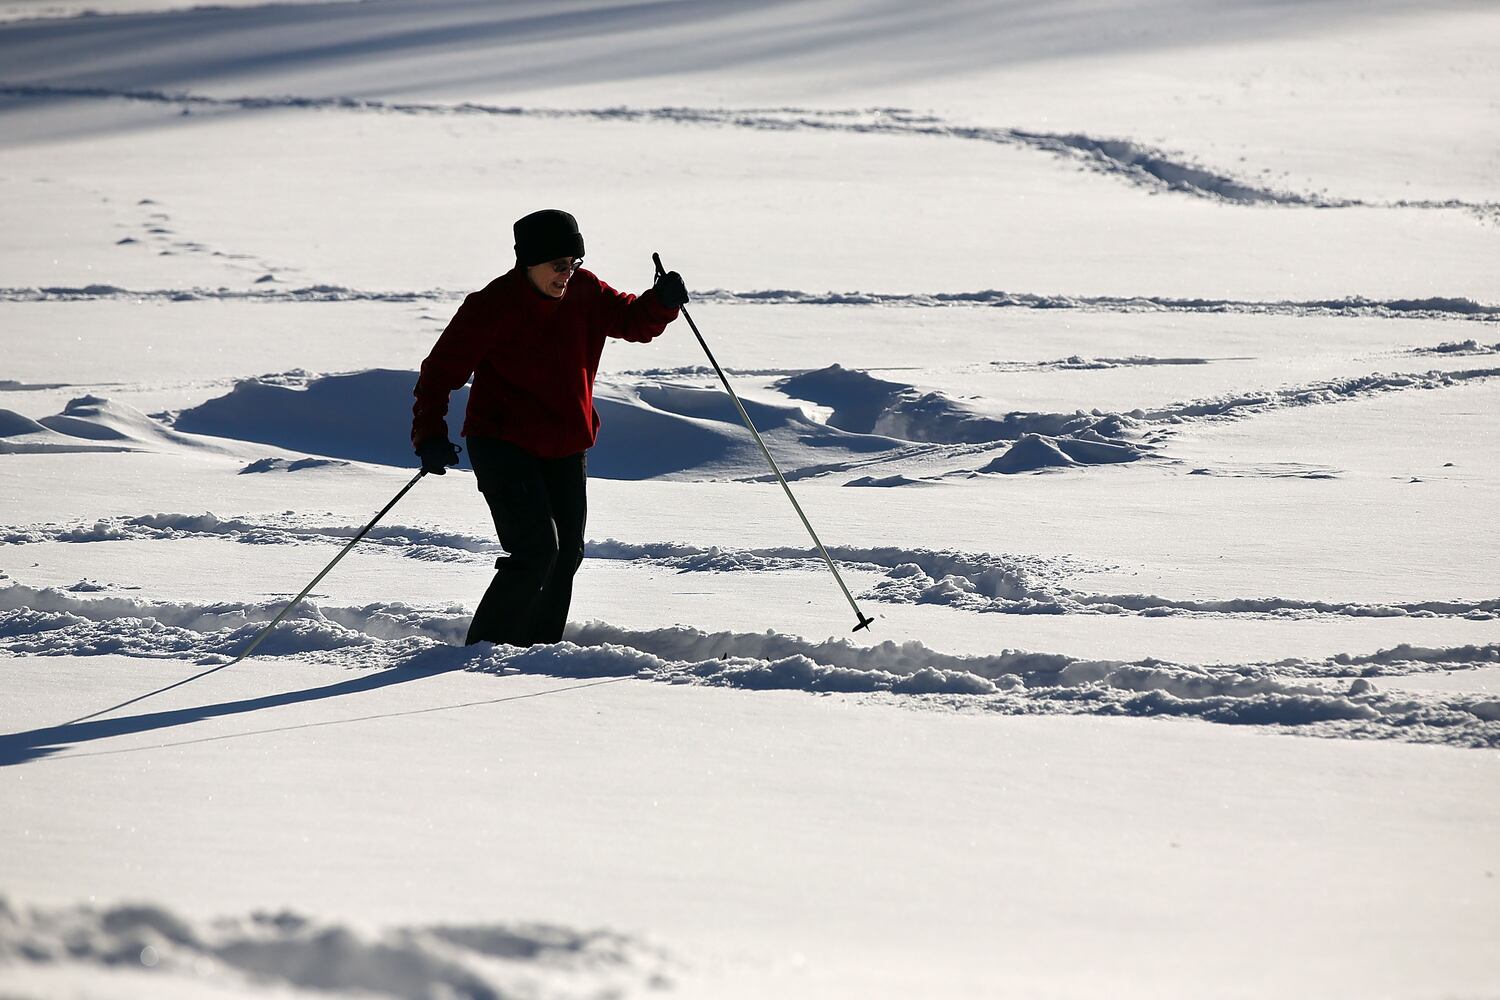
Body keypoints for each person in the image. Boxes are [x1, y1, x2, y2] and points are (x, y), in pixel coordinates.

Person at [411, 209, 688, 646]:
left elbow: (632, 321)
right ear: (529, 262)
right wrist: (429, 435)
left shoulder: (585, 291)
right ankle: (482, 653)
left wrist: (662, 302)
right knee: (537, 551)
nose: (568, 274)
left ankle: (537, 651)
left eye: (573, 264)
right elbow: (438, 375)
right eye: (559, 266)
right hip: (503, 442)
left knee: (566, 556)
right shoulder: (490, 306)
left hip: (565, 444)